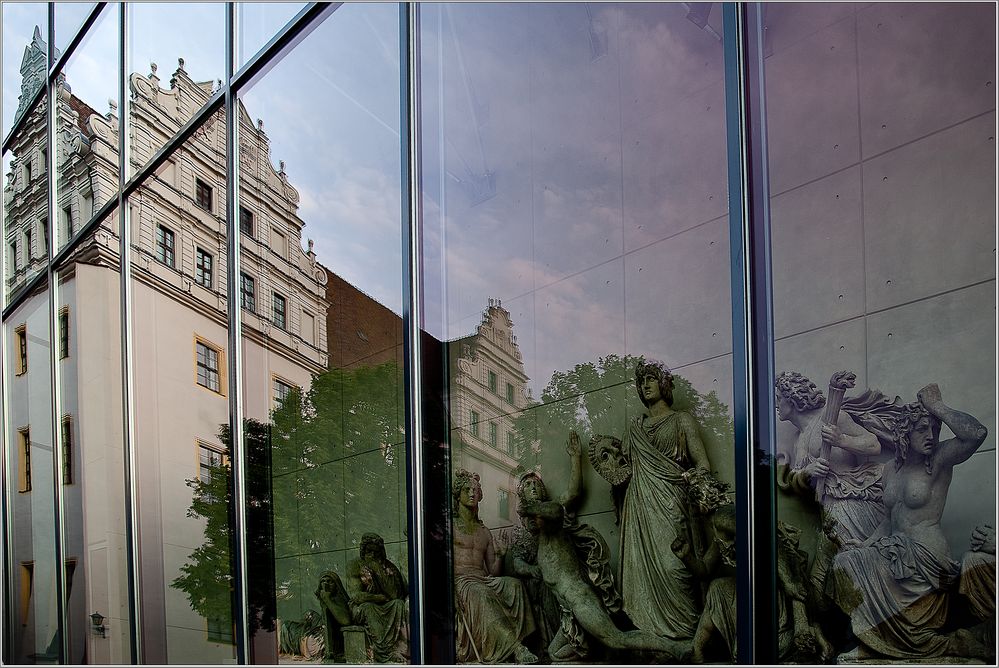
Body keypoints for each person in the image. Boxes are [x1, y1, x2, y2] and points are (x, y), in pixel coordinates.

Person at [829, 384, 991, 660]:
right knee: (845, 562)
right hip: (893, 549)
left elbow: (976, 434)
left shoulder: (939, 460)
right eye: (922, 430)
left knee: (859, 564)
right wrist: (864, 544)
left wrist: (936, 407)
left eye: (935, 430)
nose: (931, 436)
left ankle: (920, 644)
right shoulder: (891, 469)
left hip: (926, 555)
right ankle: (876, 642)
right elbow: (888, 520)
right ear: (905, 432)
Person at [517, 431, 689, 661]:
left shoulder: (553, 518)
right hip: (568, 611)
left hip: (580, 599)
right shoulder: (539, 535)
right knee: (554, 653)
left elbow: (561, 503)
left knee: (617, 639)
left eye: (535, 483)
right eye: (527, 485)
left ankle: (673, 648)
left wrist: (575, 459)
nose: (533, 487)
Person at [616, 360, 710, 640]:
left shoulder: (682, 420)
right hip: (640, 508)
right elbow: (621, 472)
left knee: (675, 567)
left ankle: (685, 636)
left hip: (672, 501)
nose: (644, 385)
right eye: (641, 380)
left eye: (651, 379)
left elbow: (702, 463)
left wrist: (697, 483)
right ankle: (651, 640)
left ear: (664, 384)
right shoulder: (634, 428)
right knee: (640, 574)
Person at [774, 371, 888, 544]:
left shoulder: (832, 417)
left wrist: (841, 440)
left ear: (792, 399)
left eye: (778, 398)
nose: (776, 404)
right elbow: (799, 478)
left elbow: (874, 445)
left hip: (849, 503)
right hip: (826, 512)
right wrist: (806, 473)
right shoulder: (799, 438)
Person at [452, 469, 537, 664]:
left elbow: (493, 571)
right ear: (458, 495)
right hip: (462, 582)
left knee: (514, 585)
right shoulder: (451, 526)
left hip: (483, 579)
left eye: (475, 490)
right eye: (467, 489)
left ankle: (526, 642)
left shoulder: (485, 532)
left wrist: (501, 553)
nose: (473, 493)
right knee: (481, 593)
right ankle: (516, 648)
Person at [345, 533, 410, 663]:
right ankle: (383, 652)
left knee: (398, 604)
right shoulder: (355, 565)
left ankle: (399, 648)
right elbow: (357, 596)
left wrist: (377, 569)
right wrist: (378, 598)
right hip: (363, 606)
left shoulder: (388, 567)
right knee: (369, 608)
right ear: (363, 551)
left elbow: (395, 595)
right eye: (369, 551)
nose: (373, 555)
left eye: (376, 551)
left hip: (385, 603)